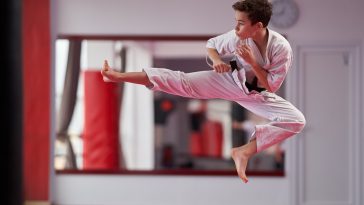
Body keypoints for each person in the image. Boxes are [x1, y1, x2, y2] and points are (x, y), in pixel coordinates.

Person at [101, 0, 305, 183]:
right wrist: (217, 61)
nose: (236, 27)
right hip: (231, 81)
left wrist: (253, 62)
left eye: (241, 23)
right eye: (236, 21)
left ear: (258, 26)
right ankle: (118, 76)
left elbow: (270, 86)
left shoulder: (281, 49)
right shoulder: (237, 37)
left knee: (296, 120)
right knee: (182, 81)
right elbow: (212, 45)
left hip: (258, 94)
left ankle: (243, 152)